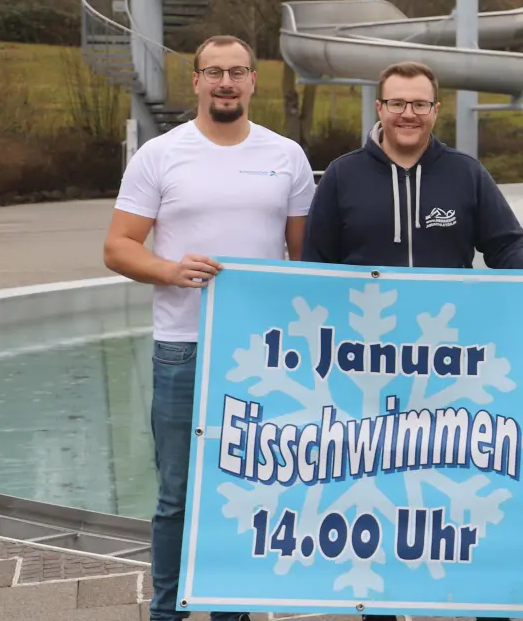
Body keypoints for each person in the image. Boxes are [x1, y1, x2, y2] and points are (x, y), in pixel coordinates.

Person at [302, 60, 523, 621]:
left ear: (435, 111)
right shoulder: (344, 177)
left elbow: (507, 247)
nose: (408, 114)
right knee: (375, 502)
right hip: (364, 381)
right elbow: (313, 275)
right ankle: (378, 608)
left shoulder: (465, 175)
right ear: (379, 109)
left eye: (419, 104)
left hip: (447, 375)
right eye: (397, 103)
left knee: (451, 498)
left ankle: (470, 602)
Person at [103, 35, 316, 621]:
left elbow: (308, 262)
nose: (226, 82)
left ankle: (232, 611)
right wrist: (170, 270)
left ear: (253, 81)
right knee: (177, 495)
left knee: (250, 491)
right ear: (195, 81)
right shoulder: (161, 155)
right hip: (184, 349)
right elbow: (118, 248)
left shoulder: (287, 156)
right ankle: (166, 612)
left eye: (238, 72)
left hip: (267, 356)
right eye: (214, 72)